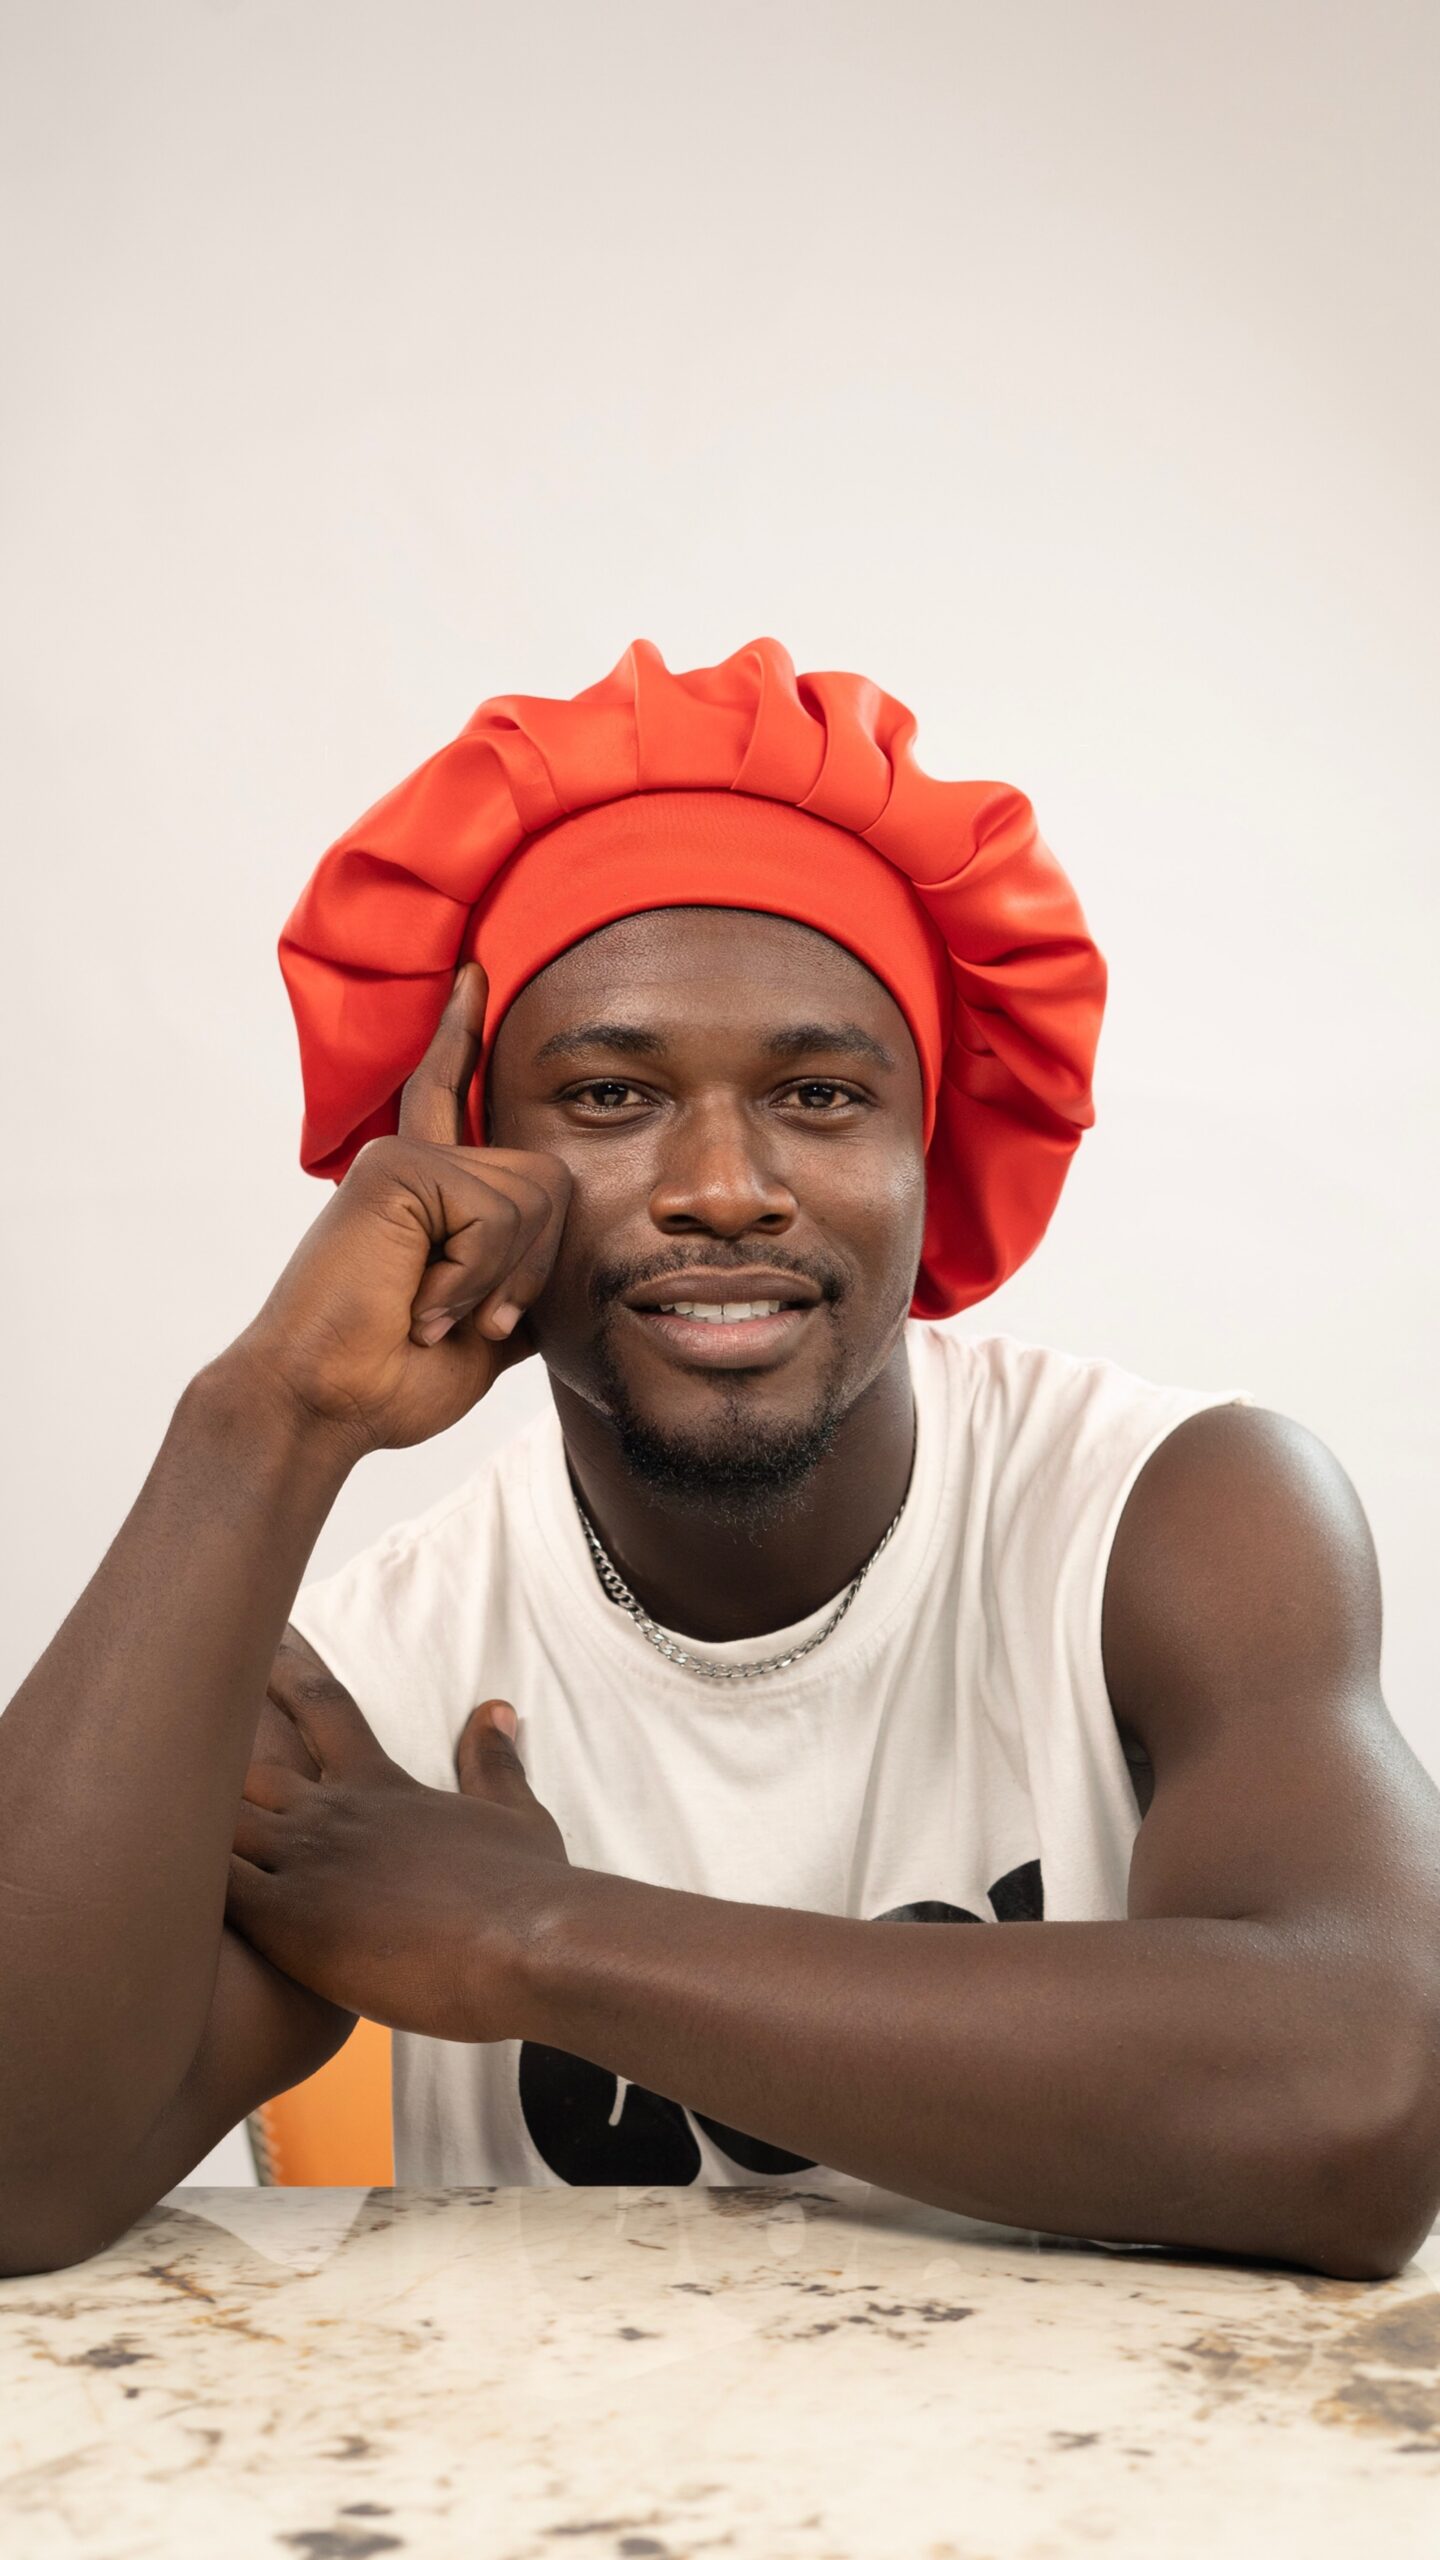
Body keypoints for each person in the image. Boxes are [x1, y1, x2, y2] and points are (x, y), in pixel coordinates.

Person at [2, 640, 1437, 2282]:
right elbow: (15, 2174)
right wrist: (267, 1416)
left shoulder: (1168, 1519)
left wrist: (535, 1937)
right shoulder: (384, 1671)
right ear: (468, 1158)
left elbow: (1362, 2105)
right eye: (611, 1095)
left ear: (928, 1147)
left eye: (818, 1094)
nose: (725, 1186)